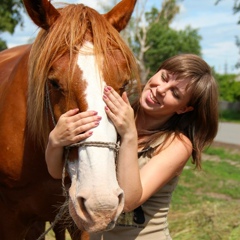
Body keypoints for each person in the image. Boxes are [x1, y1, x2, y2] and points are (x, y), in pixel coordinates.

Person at [45, 54, 219, 239]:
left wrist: (129, 135)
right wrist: (55, 140)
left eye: (175, 93)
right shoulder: (110, 116)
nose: (161, 89)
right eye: (164, 77)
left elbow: (128, 201)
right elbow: (59, 173)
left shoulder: (177, 144)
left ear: (183, 109)